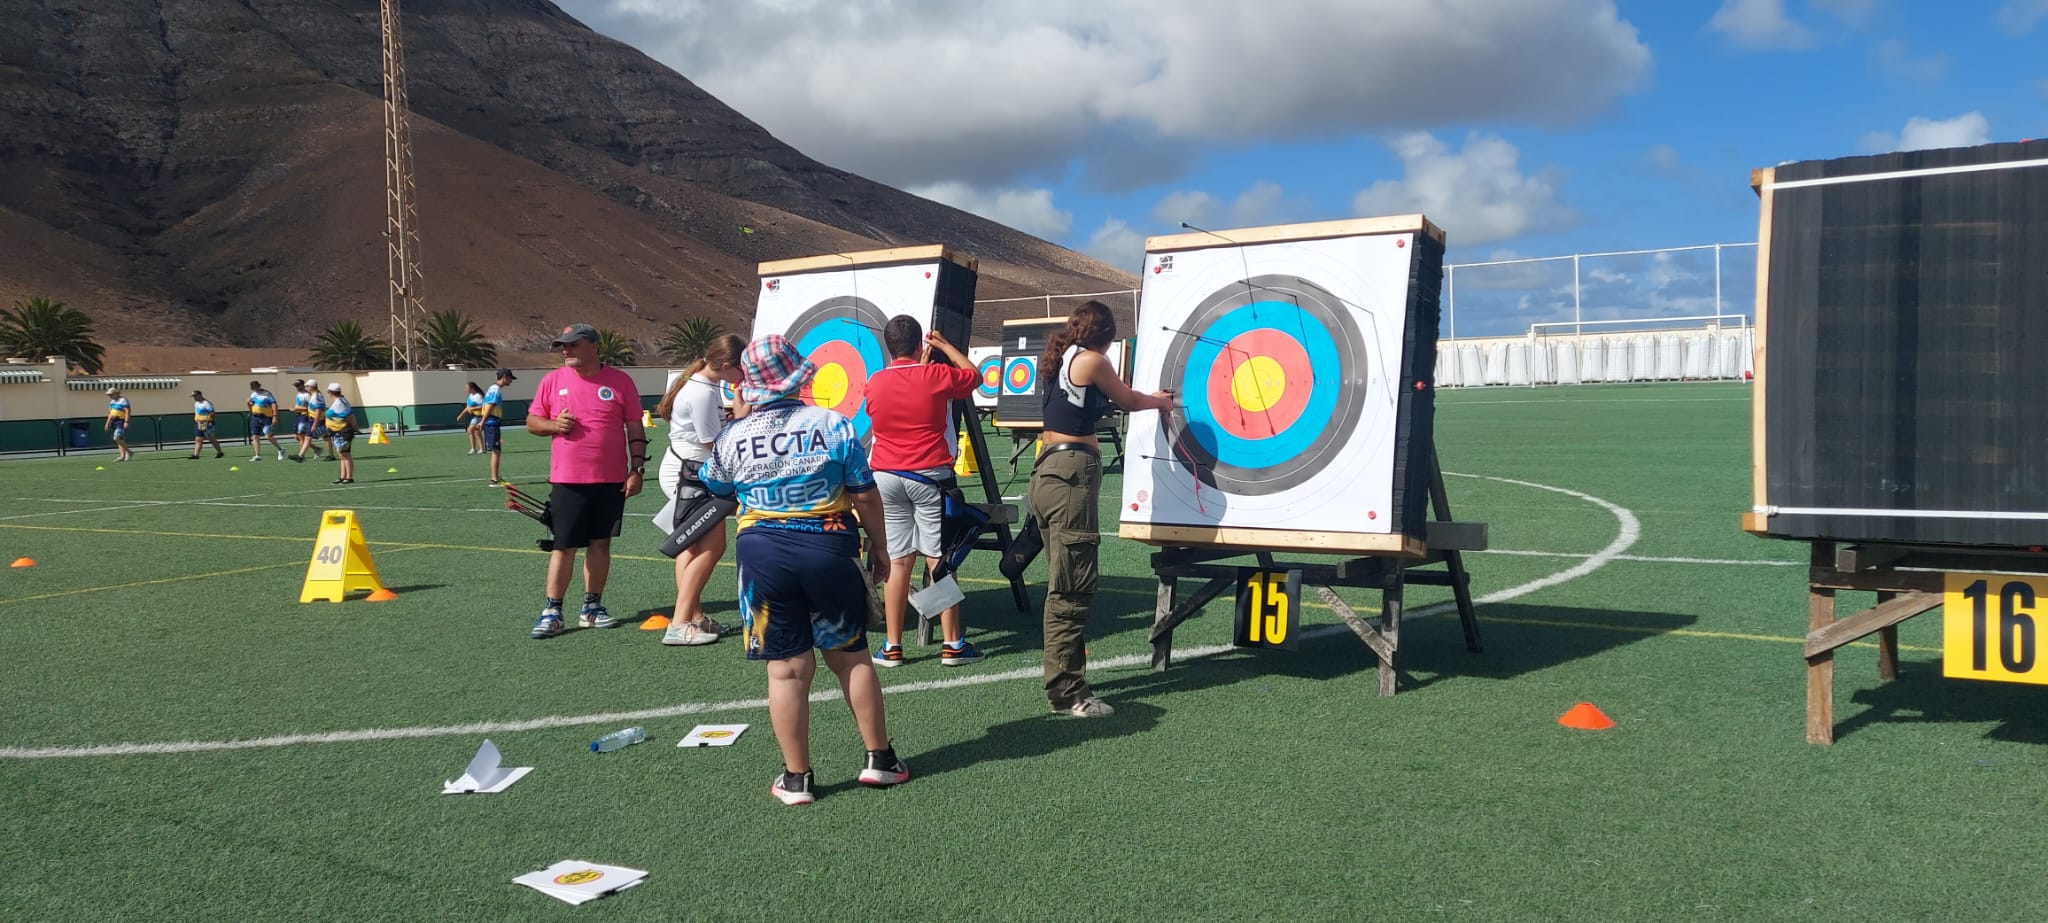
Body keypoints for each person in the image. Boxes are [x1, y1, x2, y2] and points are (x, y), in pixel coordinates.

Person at [699, 334, 906, 806]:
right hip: (828, 545)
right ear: (799, 377)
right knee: (851, 655)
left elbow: (714, 480)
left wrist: (739, 418)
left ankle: (797, 779)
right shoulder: (832, 424)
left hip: (763, 552)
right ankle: (880, 760)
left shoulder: (735, 434)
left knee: (787, 670)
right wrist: (880, 546)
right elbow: (865, 494)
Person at [1029, 300, 1175, 717]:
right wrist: (1162, 402)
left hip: (1048, 474)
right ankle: (1069, 692)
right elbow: (1127, 400)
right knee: (1071, 588)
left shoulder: (1063, 358)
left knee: (1064, 583)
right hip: (1070, 474)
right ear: (1106, 336)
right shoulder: (1092, 359)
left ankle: (1065, 675)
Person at [864, 315, 984, 667]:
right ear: (921, 345)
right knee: (938, 560)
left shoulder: (874, 382)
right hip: (929, 477)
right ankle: (952, 645)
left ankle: (892, 646)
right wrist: (945, 345)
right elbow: (973, 377)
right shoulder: (935, 375)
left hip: (885, 476)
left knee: (898, 561)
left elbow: (899, 390)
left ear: (889, 346)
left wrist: (918, 367)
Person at [524, 325, 645, 639]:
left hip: (611, 479)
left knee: (601, 543)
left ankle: (592, 608)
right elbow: (532, 422)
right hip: (568, 478)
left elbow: (635, 427)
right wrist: (554, 425)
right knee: (563, 546)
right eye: (562, 346)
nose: (566, 351)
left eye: (573, 345)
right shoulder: (552, 381)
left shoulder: (620, 381)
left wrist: (637, 470)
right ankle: (552, 610)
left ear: (594, 346)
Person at [653, 333, 748, 647]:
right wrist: (742, 419)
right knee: (712, 547)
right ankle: (681, 623)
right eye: (741, 367)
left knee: (692, 547)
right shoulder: (703, 393)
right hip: (694, 475)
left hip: (687, 471)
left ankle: (691, 616)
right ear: (725, 365)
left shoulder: (698, 383)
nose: (744, 373)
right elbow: (714, 442)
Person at [484, 368, 515, 485]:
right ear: (505, 377)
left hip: (491, 421)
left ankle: (495, 477)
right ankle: (494, 479)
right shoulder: (496, 389)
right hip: (492, 422)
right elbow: (491, 405)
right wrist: (482, 421)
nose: (511, 381)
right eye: (510, 379)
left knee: (496, 451)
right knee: (496, 451)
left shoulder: (492, 388)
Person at [323, 381, 357, 484]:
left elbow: (350, 416)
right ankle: (343, 476)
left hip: (343, 431)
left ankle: (349, 477)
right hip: (336, 432)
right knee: (342, 455)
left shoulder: (340, 402)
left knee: (345, 454)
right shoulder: (339, 401)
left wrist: (353, 428)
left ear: (330, 392)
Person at [247, 380, 285, 461]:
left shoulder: (267, 394)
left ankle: (280, 449)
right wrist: (248, 404)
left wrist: (275, 416)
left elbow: (274, 404)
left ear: (259, 386)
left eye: (256, 387)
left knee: (268, 436)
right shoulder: (253, 395)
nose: (255, 389)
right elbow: (252, 405)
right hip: (255, 417)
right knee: (255, 436)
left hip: (266, 417)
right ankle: (257, 455)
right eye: (253, 388)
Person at [297, 380, 330, 462]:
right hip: (318, 419)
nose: (305, 388)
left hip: (315, 420)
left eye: (307, 386)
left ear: (310, 387)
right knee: (326, 437)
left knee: (308, 437)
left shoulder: (315, 397)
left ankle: (300, 456)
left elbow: (318, 411)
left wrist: (315, 424)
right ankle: (331, 455)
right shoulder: (316, 395)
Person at [188, 390, 225, 459]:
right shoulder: (196, 403)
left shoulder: (206, 403)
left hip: (207, 423)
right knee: (198, 439)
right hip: (199, 423)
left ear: (200, 395)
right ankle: (196, 455)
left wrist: (208, 422)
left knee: (211, 438)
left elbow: (212, 413)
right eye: (193, 396)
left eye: (195, 396)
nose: (194, 398)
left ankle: (220, 452)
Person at [104, 388, 133, 462]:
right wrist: (107, 423)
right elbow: (110, 413)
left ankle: (129, 452)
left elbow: (127, 411)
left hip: (121, 421)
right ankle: (122, 456)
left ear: (116, 393)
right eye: (108, 395)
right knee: (120, 439)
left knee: (116, 437)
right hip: (114, 421)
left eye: (111, 394)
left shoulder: (123, 400)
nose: (109, 396)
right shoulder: (112, 402)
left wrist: (126, 421)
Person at [460, 382, 486, 455]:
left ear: (472, 388)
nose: (466, 389)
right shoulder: (470, 396)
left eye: (467, 388)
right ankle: (480, 449)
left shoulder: (479, 396)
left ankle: (474, 449)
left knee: (470, 430)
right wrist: (461, 415)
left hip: (480, 416)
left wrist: (473, 409)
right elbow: (468, 407)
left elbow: (483, 406)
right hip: (475, 416)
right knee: (476, 432)